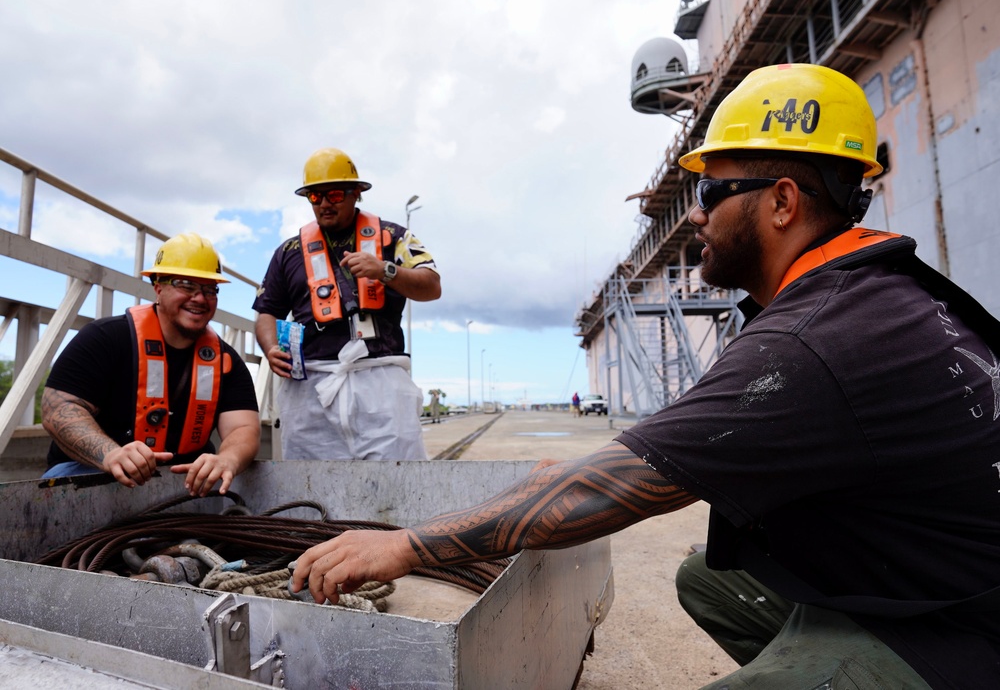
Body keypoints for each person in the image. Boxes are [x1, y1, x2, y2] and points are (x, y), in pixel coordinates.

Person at [290, 64, 1000, 688]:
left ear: (783, 202)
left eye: (713, 190)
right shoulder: (883, 289)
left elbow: (620, 486)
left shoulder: (817, 339)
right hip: (950, 579)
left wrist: (403, 544)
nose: (695, 213)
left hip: (961, 632)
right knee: (712, 578)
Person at [253, 148, 441, 460]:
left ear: (356, 194)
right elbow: (266, 312)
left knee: (395, 481)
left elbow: (432, 286)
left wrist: (385, 270)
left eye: (335, 194)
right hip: (310, 386)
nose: (325, 203)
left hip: (379, 379)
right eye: (315, 197)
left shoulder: (393, 236)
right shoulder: (288, 251)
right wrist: (270, 347)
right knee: (311, 486)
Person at [41, 233, 260, 496]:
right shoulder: (104, 338)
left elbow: (243, 428)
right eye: (185, 285)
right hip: (92, 473)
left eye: (209, 289)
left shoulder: (225, 360)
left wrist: (228, 460)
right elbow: (58, 410)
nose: (200, 298)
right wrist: (111, 455)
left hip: (183, 483)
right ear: (158, 287)